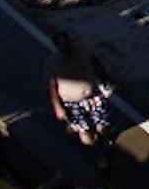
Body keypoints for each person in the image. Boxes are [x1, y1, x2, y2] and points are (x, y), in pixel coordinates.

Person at [46, 31, 114, 163]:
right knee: (84, 130)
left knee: (103, 125)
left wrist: (105, 78)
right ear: (57, 46)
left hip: (93, 97)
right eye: (61, 44)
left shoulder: (83, 51)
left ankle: (104, 144)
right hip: (72, 103)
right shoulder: (52, 63)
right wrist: (57, 107)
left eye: (66, 43)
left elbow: (95, 63)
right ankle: (96, 153)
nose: (65, 46)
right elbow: (52, 87)